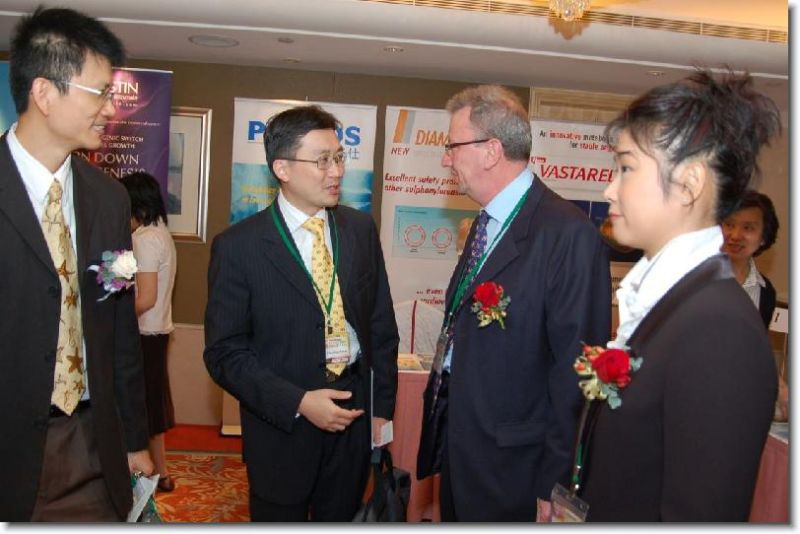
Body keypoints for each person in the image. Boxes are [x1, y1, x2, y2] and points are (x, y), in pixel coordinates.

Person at [578, 70, 780, 521]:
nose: (609, 188)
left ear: (689, 183)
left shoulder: (719, 330)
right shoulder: (670, 302)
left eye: (626, 168)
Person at [416, 85, 612, 521]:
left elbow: (578, 371)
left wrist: (555, 483)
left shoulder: (568, 235)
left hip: (517, 470)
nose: (446, 160)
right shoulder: (486, 223)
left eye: (452, 147)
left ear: (491, 151)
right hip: (463, 450)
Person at [204, 105, 399, 521]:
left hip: (353, 421)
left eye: (339, 157)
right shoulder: (239, 246)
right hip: (281, 430)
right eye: (322, 160)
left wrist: (381, 410)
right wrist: (299, 402)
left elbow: (381, 326)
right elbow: (224, 353)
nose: (336, 171)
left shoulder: (360, 230)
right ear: (283, 168)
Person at [0, 7, 152, 521]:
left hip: (93, 443)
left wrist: (135, 438)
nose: (110, 109)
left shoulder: (108, 199)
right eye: (100, 92)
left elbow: (119, 325)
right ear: (45, 93)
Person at [121, 172, 178, 492]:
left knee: (142, 409)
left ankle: (147, 476)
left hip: (144, 334)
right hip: (157, 332)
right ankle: (162, 473)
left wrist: (111, 317)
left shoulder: (145, 239)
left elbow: (145, 298)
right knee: (151, 406)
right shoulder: (161, 233)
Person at [721, 189, 787, 420]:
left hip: (738, 402)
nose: (735, 235)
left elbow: (755, 352)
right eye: (729, 224)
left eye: (748, 228)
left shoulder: (765, 291)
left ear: (764, 237)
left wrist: (780, 387)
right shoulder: (694, 279)